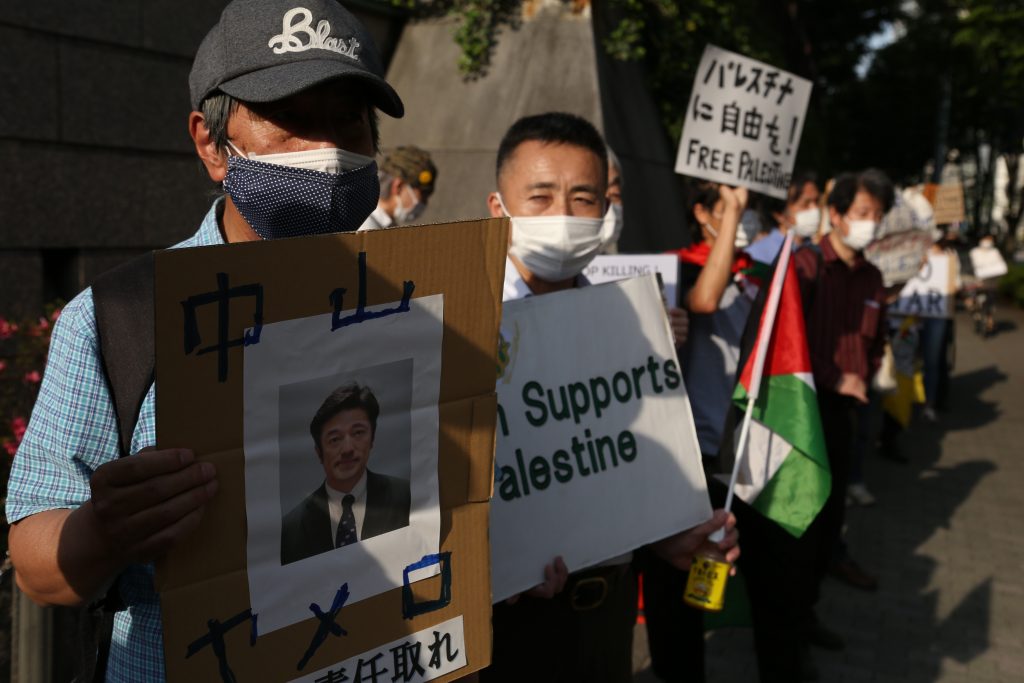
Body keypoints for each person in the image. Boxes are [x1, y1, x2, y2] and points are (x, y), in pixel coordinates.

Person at [6, 1, 404, 680]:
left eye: (350, 123)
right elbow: (38, 566)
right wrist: (107, 529)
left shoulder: (411, 303)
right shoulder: (122, 318)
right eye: (297, 120)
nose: (331, 150)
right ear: (213, 144)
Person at [481, 112, 738, 683]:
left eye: (583, 198)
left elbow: (625, 465)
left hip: (609, 617)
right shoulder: (464, 325)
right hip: (505, 627)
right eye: (541, 198)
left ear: (606, 211)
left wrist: (674, 535)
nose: (564, 218)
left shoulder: (631, 325)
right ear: (499, 209)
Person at [794, 169, 894, 635]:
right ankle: (788, 621)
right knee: (802, 521)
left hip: (847, 414)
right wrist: (837, 378)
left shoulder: (874, 278)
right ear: (835, 215)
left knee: (831, 518)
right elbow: (790, 346)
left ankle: (807, 609)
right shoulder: (808, 267)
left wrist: (868, 372)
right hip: (803, 412)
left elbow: (877, 343)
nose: (870, 222)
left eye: (877, 215)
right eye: (861, 213)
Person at [281, 382, 410, 565]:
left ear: (372, 439)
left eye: (358, 433)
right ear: (319, 452)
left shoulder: (407, 497)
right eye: (335, 439)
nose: (348, 449)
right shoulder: (290, 528)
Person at [747, 172, 821, 264]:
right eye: (805, 204)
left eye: (817, 201)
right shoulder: (757, 255)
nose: (815, 209)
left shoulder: (817, 252)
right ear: (780, 215)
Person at [359, 145, 438, 230]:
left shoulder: (386, 226)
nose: (424, 203)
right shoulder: (365, 226)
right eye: (423, 195)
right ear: (398, 186)